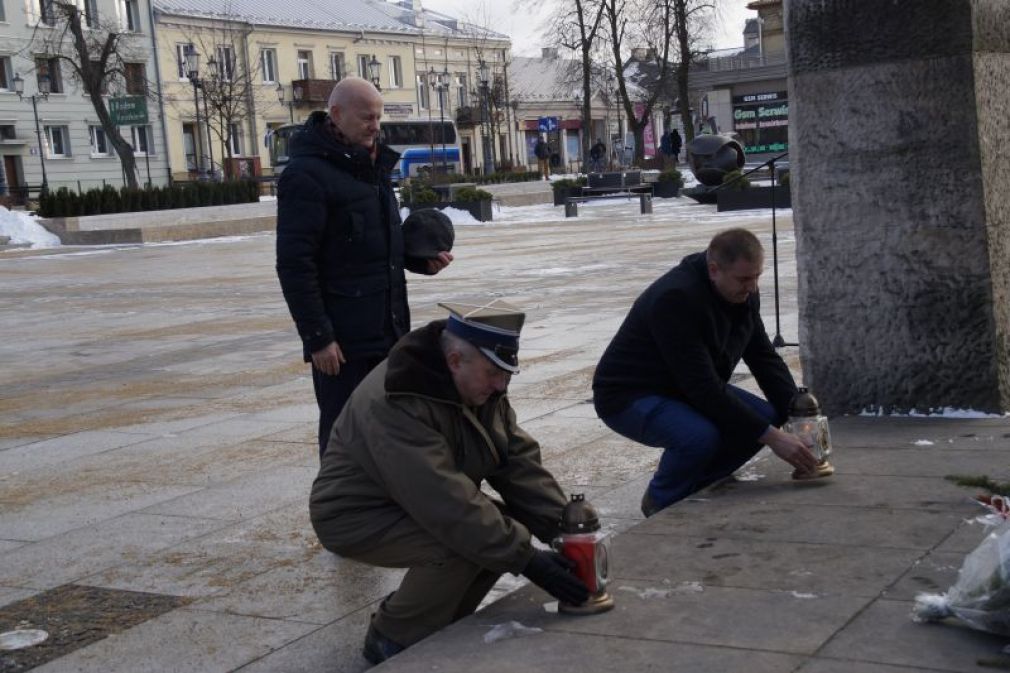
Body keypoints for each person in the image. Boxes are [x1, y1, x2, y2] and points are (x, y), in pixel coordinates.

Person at [310, 300, 590, 664]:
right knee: (463, 543)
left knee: (499, 533)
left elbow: (516, 462)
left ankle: (439, 622)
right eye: (493, 372)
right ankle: (390, 636)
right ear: (455, 360)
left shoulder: (479, 386)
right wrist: (529, 560)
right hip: (355, 513)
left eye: (506, 373)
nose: (501, 384)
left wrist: (565, 528)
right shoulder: (397, 398)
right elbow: (442, 501)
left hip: (406, 502)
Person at [276, 77, 453, 457]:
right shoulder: (306, 175)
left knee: (387, 434)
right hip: (343, 345)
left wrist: (419, 261)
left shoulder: (371, 167)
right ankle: (340, 513)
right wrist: (318, 338)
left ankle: (382, 511)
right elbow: (294, 265)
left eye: (378, 117)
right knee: (345, 438)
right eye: (366, 118)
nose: (375, 126)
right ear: (336, 115)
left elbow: (371, 246)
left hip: (387, 333)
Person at [592, 228, 818, 517]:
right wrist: (774, 438)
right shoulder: (675, 298)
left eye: (757, 277)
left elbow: (762, 356)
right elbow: (702, 387)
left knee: (764, 418)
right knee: (698, 437)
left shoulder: (743, 292)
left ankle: (698, 484)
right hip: (630, 394)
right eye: (744, 279)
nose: (752, 287)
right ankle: (662, 502)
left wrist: (798, 415)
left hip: (682, 386)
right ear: (714, 270)